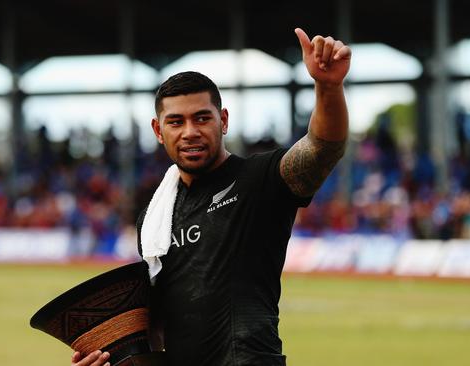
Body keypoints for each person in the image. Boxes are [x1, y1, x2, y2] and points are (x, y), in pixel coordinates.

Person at [72, 28, 351, 366]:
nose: (190, 131)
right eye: (176, 122)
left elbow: (323, 147)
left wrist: (329, 87)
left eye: (202, 118)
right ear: (159, 132)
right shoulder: (155, 216)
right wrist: (112, 358)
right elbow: (158, 330)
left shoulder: (260, 180)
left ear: (223, 121)